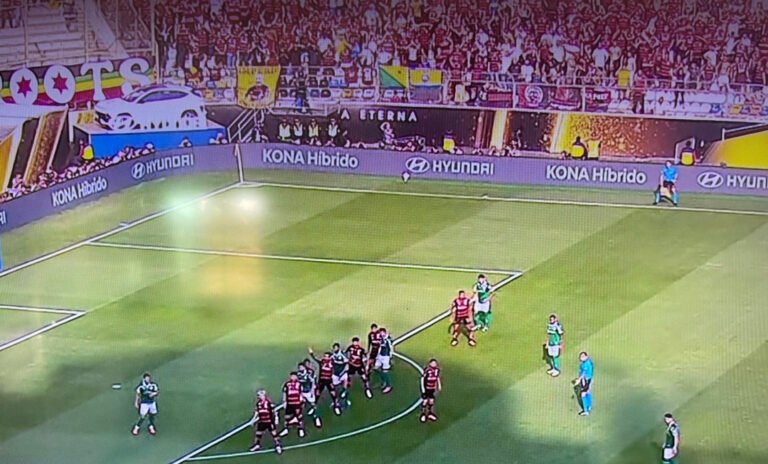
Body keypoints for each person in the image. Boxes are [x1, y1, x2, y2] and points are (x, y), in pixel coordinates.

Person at [249, 390, 283, 454]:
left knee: (274, 434)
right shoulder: (258, 403)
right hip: (262, 421)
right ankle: (257, 445)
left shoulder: (268, 402)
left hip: (269, 421)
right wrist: (253, 420)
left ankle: (278, 446)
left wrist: (276, 418)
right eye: (258, 395)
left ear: (263, 395)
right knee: (258, 434)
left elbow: (274, 411)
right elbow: (257, 412)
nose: (258, 396)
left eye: (259, 395)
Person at [309, 348, 340, 414]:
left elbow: (339, 361)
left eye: (326, 356)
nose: (325, 357)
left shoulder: (332, 362)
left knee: (333, 393)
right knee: (317, 393)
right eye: (324, 356)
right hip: (321, 380)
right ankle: (314, 407)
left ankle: (336, 406)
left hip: (329, 380)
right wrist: (311, 353)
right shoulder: (322, 362)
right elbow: (315, 359)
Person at [279, 372, 306, 438]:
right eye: (292, 376)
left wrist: (302, 400)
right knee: (287, 417)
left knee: (299, 417)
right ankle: (286, 429)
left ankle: (301, 429)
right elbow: (284, 393)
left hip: (297, 403)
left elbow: (301, 393)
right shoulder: (287, 384)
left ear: (296, 377)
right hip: (289, 403)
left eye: (294, 376)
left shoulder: (299, 384)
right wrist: (284, 401)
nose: (293, 377)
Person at [297, 362, 322, 428]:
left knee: (313, 405)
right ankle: (298, 419)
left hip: (308, 392)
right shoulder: (298, 374)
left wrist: (312, 391)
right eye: (299, 367)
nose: (300, 368)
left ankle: (317, 418)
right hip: (302, 392)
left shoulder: (308, 374)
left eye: (302, 367)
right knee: (300, 405)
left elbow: (313, 382)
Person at [419, 358, 441, 423]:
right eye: (433, 363)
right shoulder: (427, 370)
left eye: (435, 363)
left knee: (431, 401)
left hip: (432, 388)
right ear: (430, 364)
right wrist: (423, 388)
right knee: (425, 401)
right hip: (426, 388)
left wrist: (439, 385)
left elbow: (437, 377)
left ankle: (430, 413)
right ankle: (423, 414)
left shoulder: (437, 370)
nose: (434, 364)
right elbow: (422, 378)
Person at [330, 342, 350, 413]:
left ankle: (346, 401)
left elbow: (347, 364)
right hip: (335, 374)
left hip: (343, 374)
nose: (334, 349)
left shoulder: (343, 355)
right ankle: (336, 401)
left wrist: (344, 372)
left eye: (336, 348)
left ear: (338, 348)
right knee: (335, 389)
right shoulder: (332, 356)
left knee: (344, 389)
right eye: (334, 348)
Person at [573, 352, 594, 416]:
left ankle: (585, 411)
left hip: (585, 380)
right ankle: (589, 406)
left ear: (586, 356)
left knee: (583, 394)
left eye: (582, 357)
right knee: (588, 392)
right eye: (580, 357)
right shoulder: (590, 362)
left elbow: (583, 373)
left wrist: (579, 380)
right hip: (589, 379)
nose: (580, 358)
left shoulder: (585, 364)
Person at [374, 327, 394, 394]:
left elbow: (391, 347)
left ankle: (388, 385)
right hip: (380, 355)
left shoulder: (388, 339)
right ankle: (384, 381)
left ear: (384, 332)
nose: (381, 334)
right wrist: (377, 355)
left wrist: (390, 357)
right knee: (376, 368)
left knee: (385, 371)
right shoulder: (381, 338)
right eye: (380, 333)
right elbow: (380, 346)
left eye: (382, 332)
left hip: (386, 357)